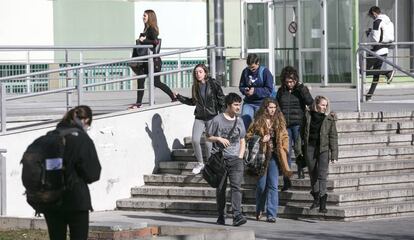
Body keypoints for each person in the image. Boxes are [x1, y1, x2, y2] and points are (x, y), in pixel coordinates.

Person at [43, 105, 101, 240]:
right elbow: (93, 173)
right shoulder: (82, 139)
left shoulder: (50, 136)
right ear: (86, 120)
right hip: (76, 199)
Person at [246, 98, 291, 222]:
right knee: (261, 186)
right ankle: (259, 208)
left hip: (275, 157)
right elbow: (248, 136)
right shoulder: (257, 120)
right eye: (270, 107)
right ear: (265, 107)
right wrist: (261, 139)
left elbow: (285, 136)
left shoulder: (280, 120)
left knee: (273, 186)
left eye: (274, 107)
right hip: (262, 156)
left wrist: (285, 148)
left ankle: (271, 214)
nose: (272, 110)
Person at [176, 64, 225, 174]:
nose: (198, 74)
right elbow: (193, 102)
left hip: (212, 116)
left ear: (205, 72)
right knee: (195, 140)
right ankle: (200, 163)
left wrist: (222, 115)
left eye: (200, 71)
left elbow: (221, 98)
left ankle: (209, 164)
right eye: (196, 72)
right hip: (199, 117)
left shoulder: (213, 83)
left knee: (208, 143)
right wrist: (179, 97)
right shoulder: (195, 86)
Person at [207, 92, 247, 226]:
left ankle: (237, 215)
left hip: (236, 159)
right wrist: (218, 138)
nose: (238, 108)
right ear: (228, 106)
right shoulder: (217, 119)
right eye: (235, 105)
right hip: (220, 160)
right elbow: (207, 136)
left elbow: (242, 140)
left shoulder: (240, 120)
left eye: (239, 105)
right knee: (221, 189)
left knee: (236, 187)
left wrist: (240, 156)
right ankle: (221, 216)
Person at [129, 9, 176, 109]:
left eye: (145, 16)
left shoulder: (152, 29)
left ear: (150, 17)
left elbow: (155, 42)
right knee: (140, 79)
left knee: (156, 82)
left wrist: (143, 40)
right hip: (146, 61)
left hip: (153, 62)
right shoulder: (146, 28)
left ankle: (173, 96)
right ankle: (138, 103)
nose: (143, 17)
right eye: (143, 15)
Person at [276, 66, 313, 190]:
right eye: (287, 82)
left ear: (295, 80)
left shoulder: (301, 90)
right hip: (285, 125)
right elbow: (277, 107)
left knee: (298, 149)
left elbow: (310, 102)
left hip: (298, 123)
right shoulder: (281, 91)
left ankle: (300, 169)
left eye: (291, 81)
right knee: (285, 151)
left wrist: (302, 88)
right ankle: (287, 178)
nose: (289, 84)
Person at [301, 96, 338, 213]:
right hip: (310, 148)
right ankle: (316, 196)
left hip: (323, 149)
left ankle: (323, 203)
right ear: (316, 104)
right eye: (322, 105)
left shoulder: (329, 119)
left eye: (326, 105)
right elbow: (301, 133)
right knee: (313, 173)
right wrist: (298, 150)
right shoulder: (307, 116)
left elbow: (333, 136)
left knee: (322, 175)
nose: (324, 107)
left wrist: (334, 155)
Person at [365, 6, 396, 101]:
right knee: (375, 73)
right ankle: (369, 96)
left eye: (371, 16)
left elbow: (375, 39)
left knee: (363, 71)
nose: (372, 18)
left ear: (374, 13)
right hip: (385, 50)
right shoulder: (389, 22)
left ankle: (387, 72)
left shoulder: (377, 21)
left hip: (376, 50)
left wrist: (369, 33)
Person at [239, 53, 275, 130]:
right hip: (249, 103)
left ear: (258, 63)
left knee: (260, 125)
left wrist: (255, 91)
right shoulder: (245, 72)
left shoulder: (265, 72)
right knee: (245, 122)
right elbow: (241, 86)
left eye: (253, 68)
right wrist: (245, 91)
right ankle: (246, 140)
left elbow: (269, 89)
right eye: (249, 67)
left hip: (261, 103)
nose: (251, 70)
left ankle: (259, 140)